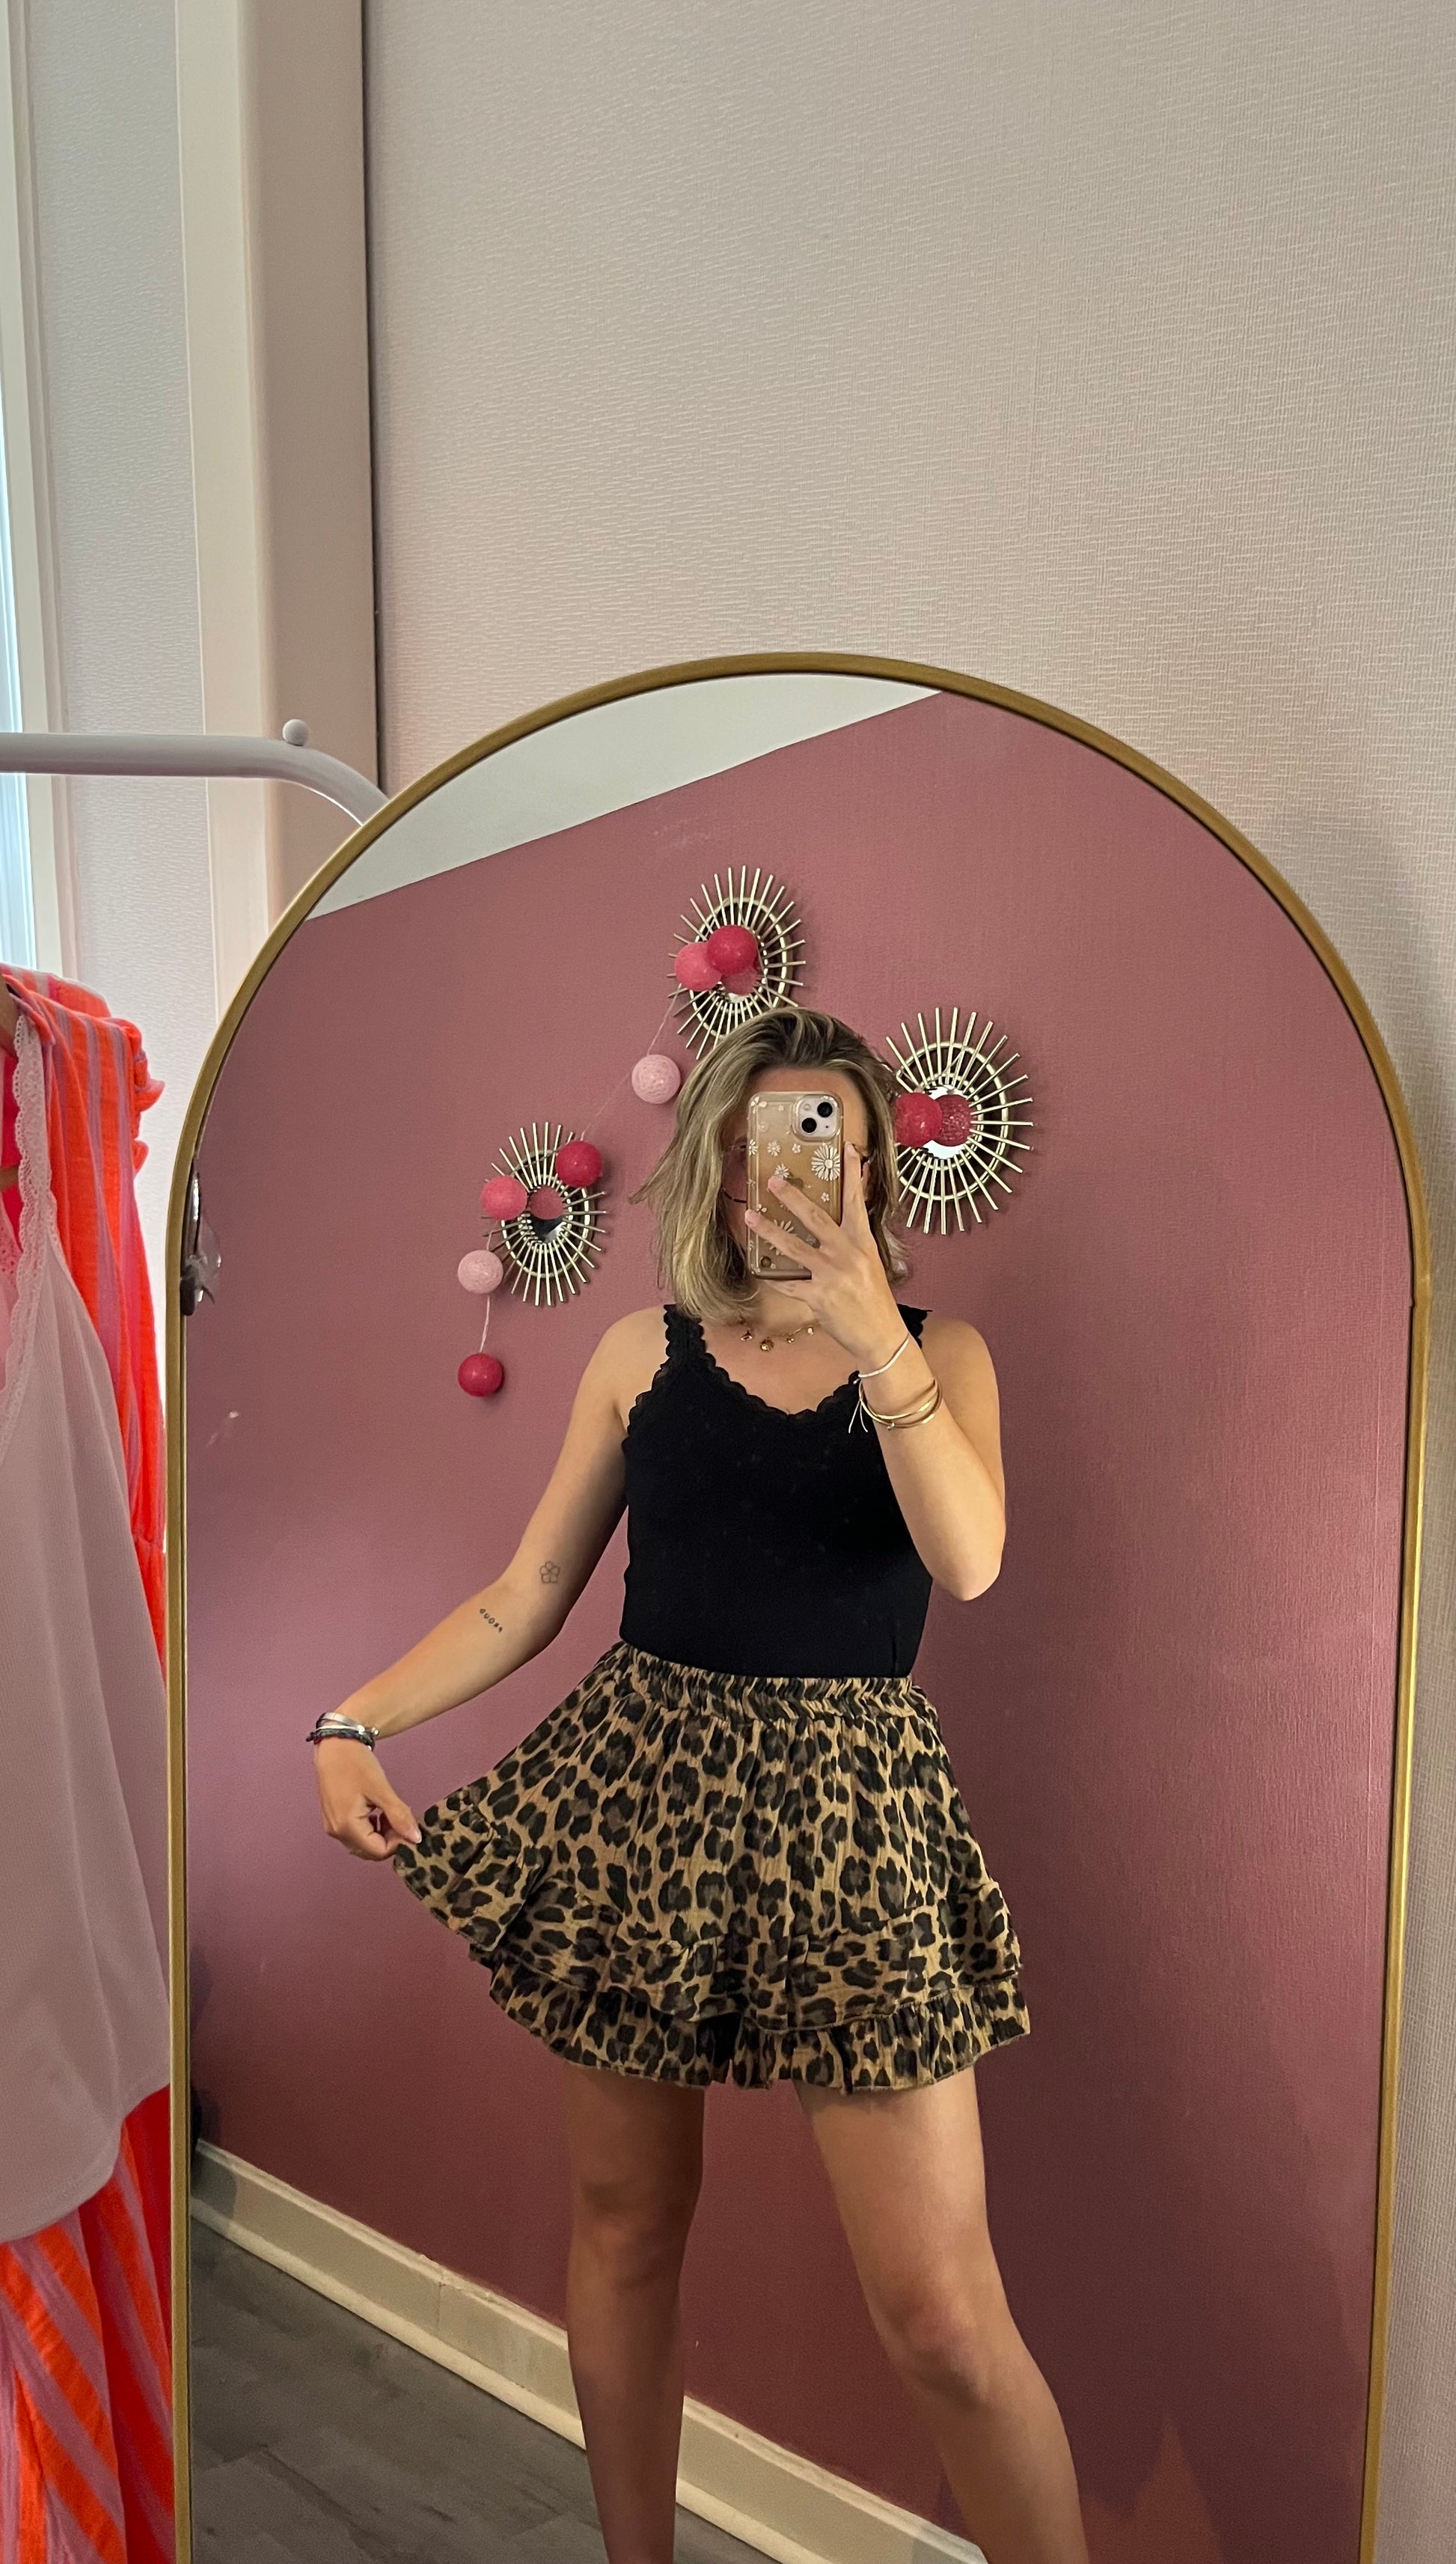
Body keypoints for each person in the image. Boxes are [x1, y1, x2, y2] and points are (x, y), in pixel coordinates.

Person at [312, 1005, 1088, 2564]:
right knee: (627, 2226)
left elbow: (970, 1559)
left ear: (874, 1165)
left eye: (822, 1144)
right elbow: (530, 1592)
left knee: (942, 2316)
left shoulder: (943, 1353)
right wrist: (351, 1720)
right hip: (641, 1797)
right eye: (751, 1151)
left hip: (852, 1820)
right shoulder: (638, 1352)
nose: (781, 1182)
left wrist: (873, 1339)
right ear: (712, 1169)